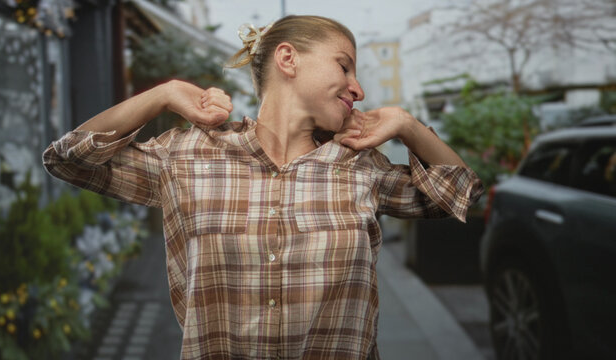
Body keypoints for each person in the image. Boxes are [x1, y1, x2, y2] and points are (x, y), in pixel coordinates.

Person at [43, 15, 483, 360]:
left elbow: (459, 194)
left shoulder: (358, 165)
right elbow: (68, 159)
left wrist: (406, 126)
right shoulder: (188, 154)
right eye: (344, 65)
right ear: (288, 59)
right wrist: (164, 94)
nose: (359, 89)